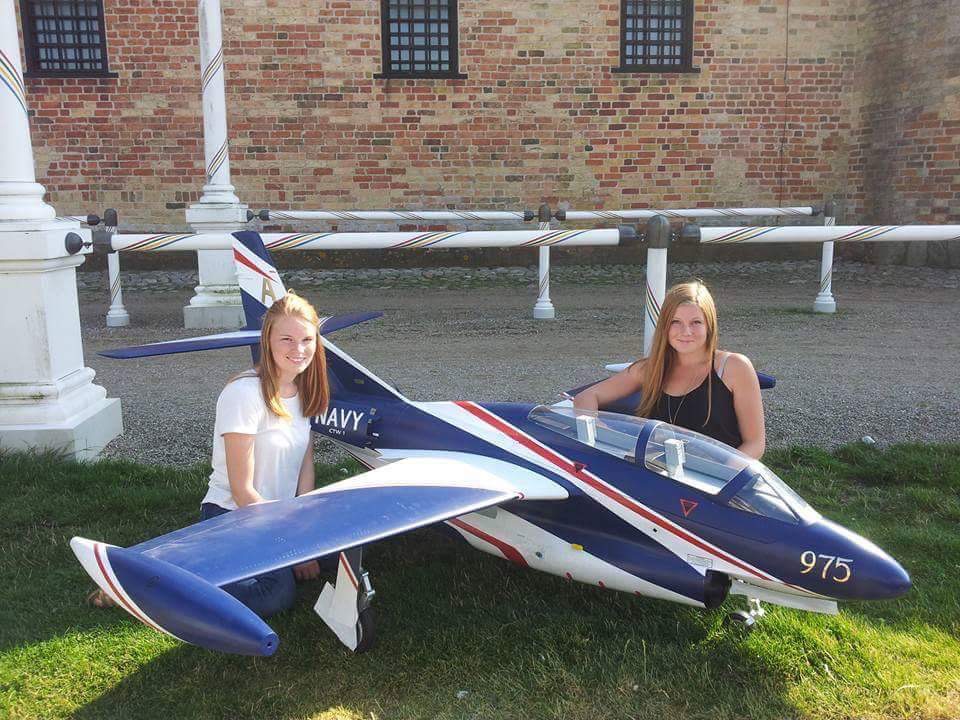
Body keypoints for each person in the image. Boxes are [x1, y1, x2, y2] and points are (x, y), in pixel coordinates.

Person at [88, 291, 329, 614]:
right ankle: (148, 578)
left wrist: (306, 531)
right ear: (267, 340)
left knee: (343, 547)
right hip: (233, 515)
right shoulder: (244, 393)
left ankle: (192, 562)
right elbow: (243, 492)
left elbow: (305, 466)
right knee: (275, 594)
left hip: (276, 518)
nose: (298, 349)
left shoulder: (304, 391)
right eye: (287, 339)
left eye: (306, 340)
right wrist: (294, 545)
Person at [573, 280, 765, 459]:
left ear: (709, 325)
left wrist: (723, 474)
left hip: (716, 477)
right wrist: (612, 440)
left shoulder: (734, 367)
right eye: (676, 322)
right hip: (659, 474)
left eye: (696, 322)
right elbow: (586, 397)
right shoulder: (651, 368)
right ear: (664, 326)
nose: (686, 332)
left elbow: (755, 444)